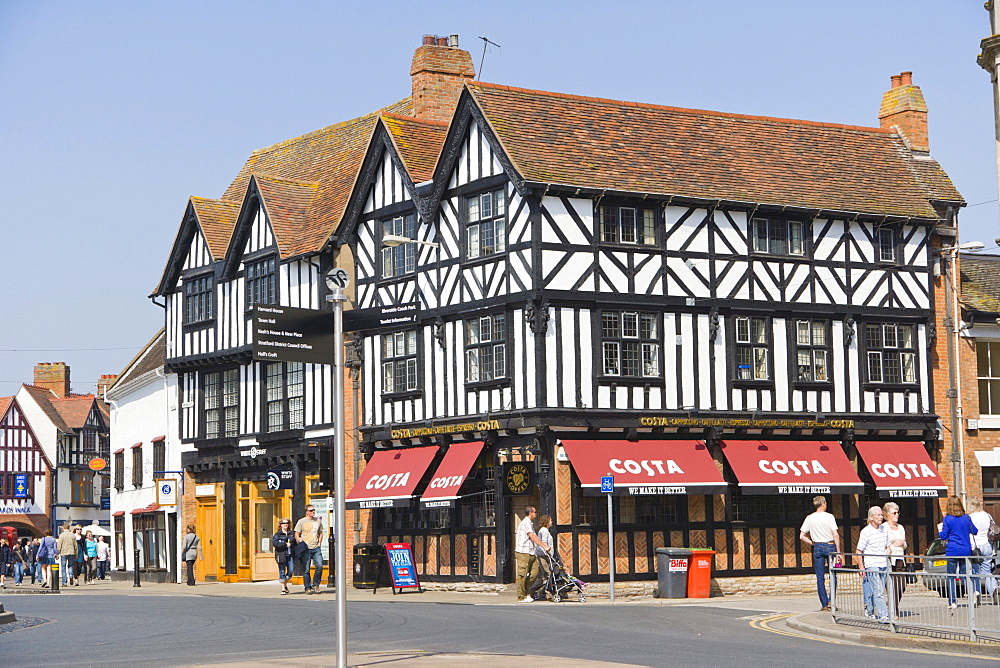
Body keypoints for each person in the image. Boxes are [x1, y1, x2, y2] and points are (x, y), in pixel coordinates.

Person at [799, 495, 841, 612]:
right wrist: (838, 551)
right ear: (823, 504)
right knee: (833, 575)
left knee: (820, 577)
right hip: (830, 545)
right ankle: (831, 601)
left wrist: (812, 543)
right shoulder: (829, 517)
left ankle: (823, 604)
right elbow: (836, 535)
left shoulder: (809, 518)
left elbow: (801, 536)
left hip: (817, 546)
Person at [940, 495, 978, 609]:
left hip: (952, 550)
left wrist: (940, 532)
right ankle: (972, 594)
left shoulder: (948, 519)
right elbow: (974, 531)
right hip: (966, 550)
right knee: (965, 574)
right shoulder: (966, 518)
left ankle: (953, 602)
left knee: (951, 576)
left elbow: (943, 536)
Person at [856, 505, 890, 622]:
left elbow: (887, 545)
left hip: (883, 563)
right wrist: (861, 567)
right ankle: (883, 615)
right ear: (871, 517)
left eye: (881, 515)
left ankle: (870, 609)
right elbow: (859, 550)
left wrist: (888, 551)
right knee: (879, 591)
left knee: (879, 590)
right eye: (878, 515)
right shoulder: (866, 532)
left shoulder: (884, 529)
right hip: (871, 564)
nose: (881, 517)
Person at [514, 506, 550, 603]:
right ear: (531, 513)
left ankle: (527, 592)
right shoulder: (525, 523)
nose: (536, 514)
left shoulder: (530, 523)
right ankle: (521, 596)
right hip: (523, 552)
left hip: (531, 552)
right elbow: (532, 537)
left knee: (534, 574)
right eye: (535, 512)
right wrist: (544, 546)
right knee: (522, 575)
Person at [969, 497, 998, 604]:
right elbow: (993, 528)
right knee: (987, 570)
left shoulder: (970, 517)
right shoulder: (987, 515)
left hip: (975, 546)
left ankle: (976, 594)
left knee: (975, 571)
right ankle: (994, 588)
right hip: (987, 544)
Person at [294, 505, 325, 594]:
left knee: (319, 566)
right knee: (306, 569)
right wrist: (299, 540)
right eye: (311, 510)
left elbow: (320, 532)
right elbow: (297, 533)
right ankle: (307, 587)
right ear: (306, 512)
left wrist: (319, 543)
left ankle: (316, 585)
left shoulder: (318, 521)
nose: (313, 512)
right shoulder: (302, 521)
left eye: (314, 510)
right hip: (306, 548)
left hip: (316, 548)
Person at [883, 502, 907, 613]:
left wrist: (902, 543)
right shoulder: (884, 527)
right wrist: (893, 545)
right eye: (894, 513)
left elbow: (905, 543)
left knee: (902, 585)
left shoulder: (900, 527)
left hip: (900, 559)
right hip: (890, 560)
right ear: (887, 515)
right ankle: (894, 610)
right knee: (892, 586)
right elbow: (883, 546)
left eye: (897, 513)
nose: (896, 515)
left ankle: (892, 604)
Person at [533, 515, 555, 600]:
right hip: (543, 555)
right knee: (547, 574)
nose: (551, 522)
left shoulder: (545, 530)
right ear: (546, 522)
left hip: (545, 555)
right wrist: (548, 552)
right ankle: (545, 593)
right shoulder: (544, 531)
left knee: (544, 575)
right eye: (550, 520)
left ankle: (538, 591)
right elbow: (544, 543)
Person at [272, 518, 296, 595]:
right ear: (281, 525)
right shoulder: (277, 534)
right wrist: (284, 544)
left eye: (287, 523)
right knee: (282, 571)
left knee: (291, 570)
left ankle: (284, 584)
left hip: (290, 554)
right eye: (284, 523)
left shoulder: (291, 533)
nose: (286, 524)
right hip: (281, 554)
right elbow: (275, 544)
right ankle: (283, 588)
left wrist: (291, 544)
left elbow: (295, 543)